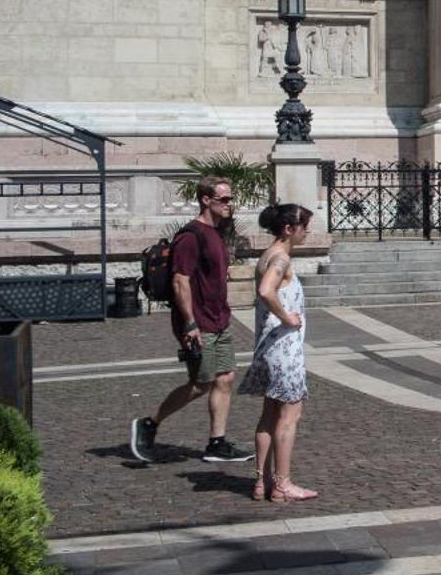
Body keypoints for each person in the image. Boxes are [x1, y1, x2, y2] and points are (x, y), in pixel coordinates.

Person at [130, 179, 255, 465]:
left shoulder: (216, 233)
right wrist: (189, 324)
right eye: (223, 199)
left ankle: (216, 443)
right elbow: (180, 281)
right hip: (198, 322)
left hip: (219, 318)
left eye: (230, 199)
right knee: (200, 383)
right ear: (205, 200)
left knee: (225, 378)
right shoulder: (190, 236)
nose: (229, 204)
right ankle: (149, 423)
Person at [241, 203, 316, 502]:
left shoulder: (267, 254)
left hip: (267, 346)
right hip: (284, 349)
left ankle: (262, 482)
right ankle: (283, 483)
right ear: (288, 228)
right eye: (304, 226)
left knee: (269, 414)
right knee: (289, 415)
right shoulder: (281, 258)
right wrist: (287, 317)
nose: (307, 232)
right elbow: (266, 290)